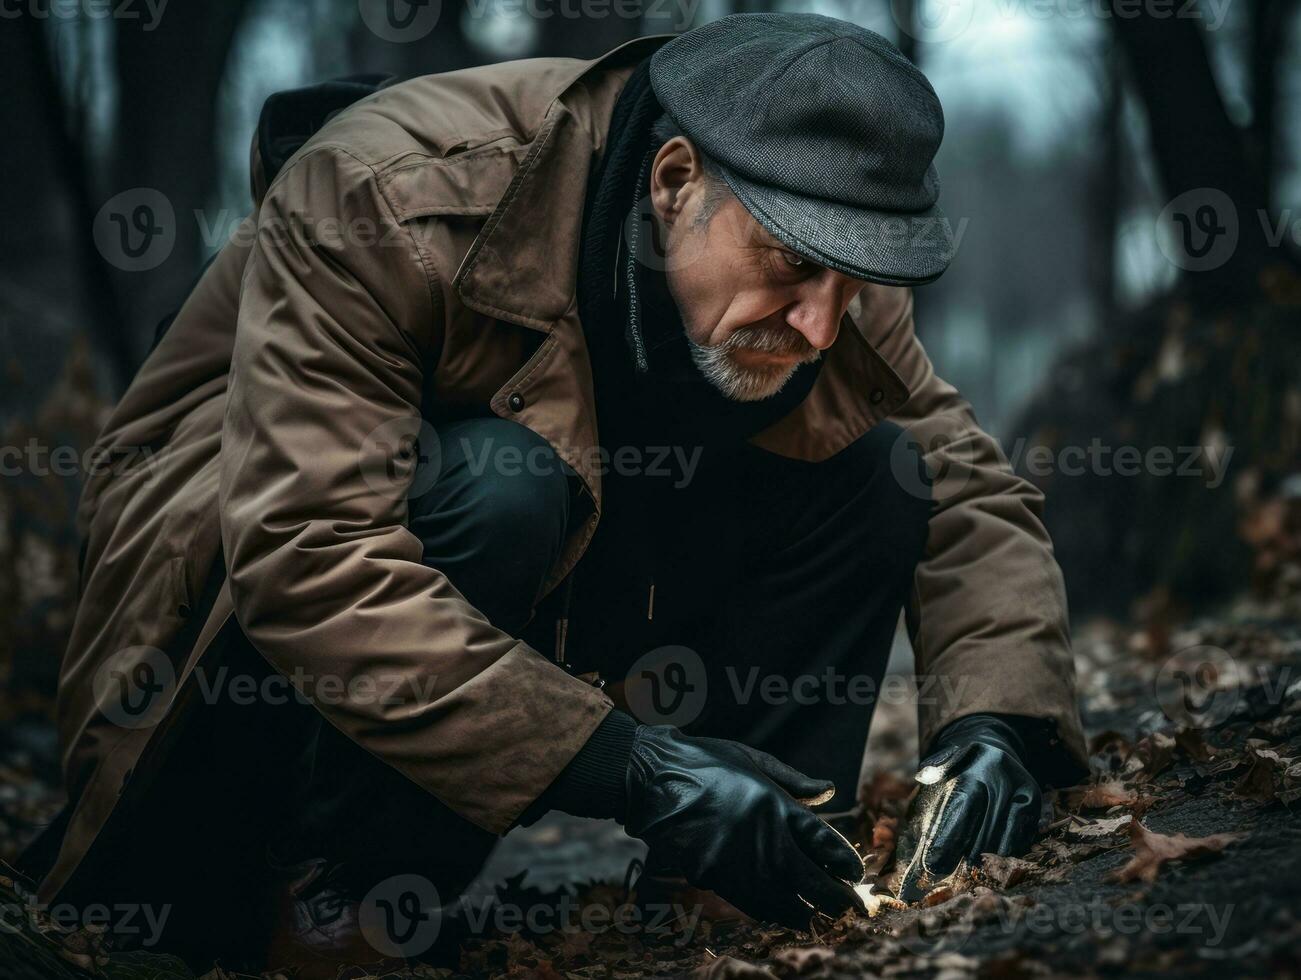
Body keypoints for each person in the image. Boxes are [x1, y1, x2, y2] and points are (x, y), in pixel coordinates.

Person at [25, 13, 1087, 976]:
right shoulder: (382, 193)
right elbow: (307, 554)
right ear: (674, 181)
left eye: (845, 283)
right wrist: (633, 765)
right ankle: (334, 897)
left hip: (539, 564)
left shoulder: (824, 247)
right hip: (229, 605)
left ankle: (745, 864)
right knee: (500, 482)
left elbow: (960, 482)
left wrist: (998, 724)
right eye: (787, 267)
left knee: (872, 465)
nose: (818, 322)